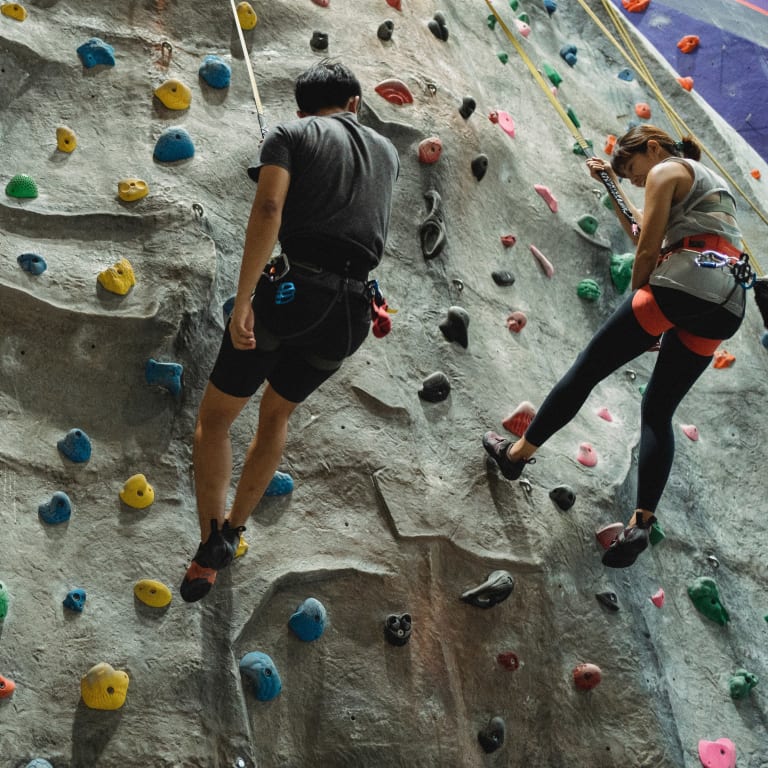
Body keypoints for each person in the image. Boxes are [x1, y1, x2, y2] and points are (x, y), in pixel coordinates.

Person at [180, 61, 400, 602]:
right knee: (276, 414)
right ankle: (235, 532)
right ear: (355, 103)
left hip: (292, 295)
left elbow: (270, 207)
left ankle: (210, 547)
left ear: (302, 109)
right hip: (350, 315)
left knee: (215, 419)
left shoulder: (290, 133)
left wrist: (244, 300)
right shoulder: (389, 154)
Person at [483, 125, 748, 568]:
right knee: (659, 409)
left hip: (684, 282)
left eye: (634, 171)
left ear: (653, 148)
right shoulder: (708, 184)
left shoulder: (666, 169)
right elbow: (652, 232)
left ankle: (516, 455)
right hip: (727, 304)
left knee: (587, 369)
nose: (638, 181)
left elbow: (647, 252)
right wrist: (610, 183)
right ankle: (640, 523)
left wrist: (643, 304)